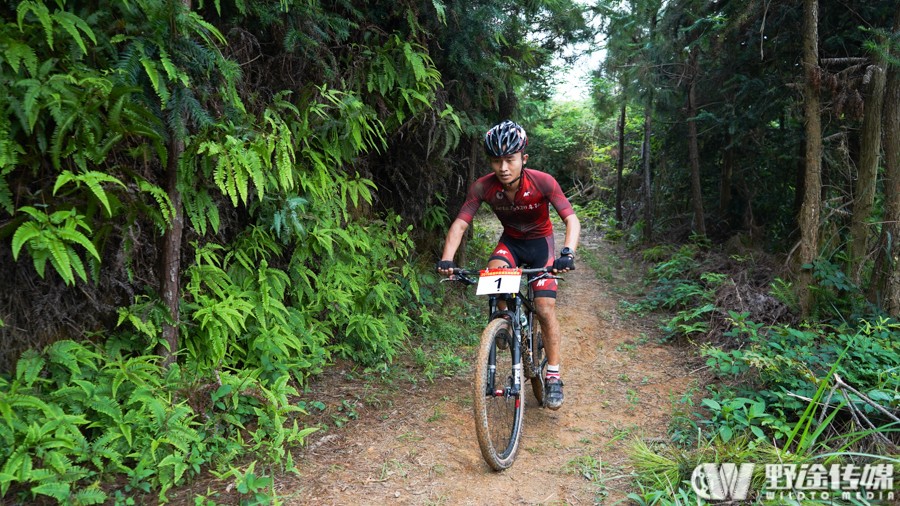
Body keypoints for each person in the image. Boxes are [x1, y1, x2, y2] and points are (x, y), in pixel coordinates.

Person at [437, 119, 581, 410]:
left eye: (509, 160)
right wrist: (447, 259)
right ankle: (504, 323)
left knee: (543, 307)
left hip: (541, 245)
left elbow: (571, 219)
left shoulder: (542, 182)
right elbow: (461, 224)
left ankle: (553, 374)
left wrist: (568, 252)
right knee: (495, 276)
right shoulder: (484, 187)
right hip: (511, 244)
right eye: (496, 160)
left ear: (523, 159)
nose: (503, 167)